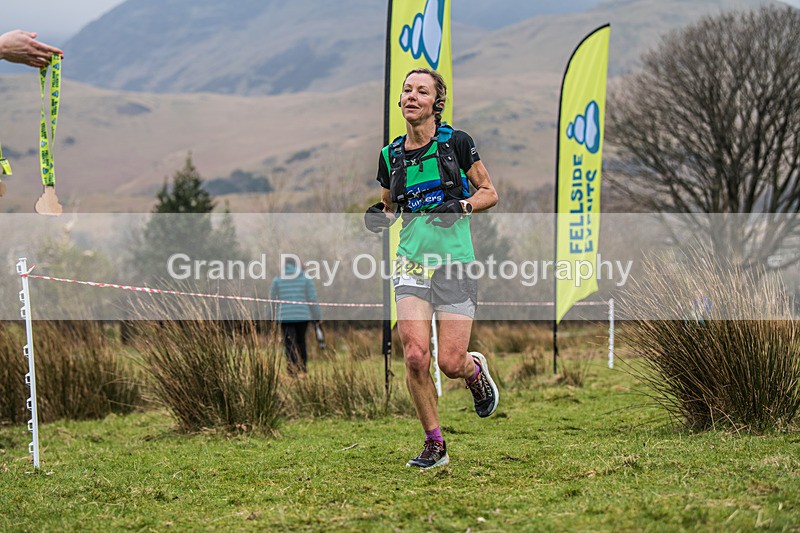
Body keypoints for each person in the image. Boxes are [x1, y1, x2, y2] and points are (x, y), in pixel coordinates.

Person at [365, 68, 499, 469]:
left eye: (421, 91)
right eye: (407, 90)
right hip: (411, 263)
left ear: (436, 102)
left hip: (455, 263)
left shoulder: (456, 144)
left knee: (449, 362)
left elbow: (489, 193)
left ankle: (474, 374)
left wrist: (461, 205)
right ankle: (434, 444)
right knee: (416, 357)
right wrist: (379, 217)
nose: (411, 96)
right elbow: (390, 208)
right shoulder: (391, 155)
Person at [270, 256, 322, 375]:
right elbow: (312, 299)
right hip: (302, 316)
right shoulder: (306, 279)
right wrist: (317, 316)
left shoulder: (278, 279)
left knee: (289, 344)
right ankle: (303, 369)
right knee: (301, 342)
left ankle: (291, 371)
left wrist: (272, 316)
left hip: (284, 317)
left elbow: (273, 300)